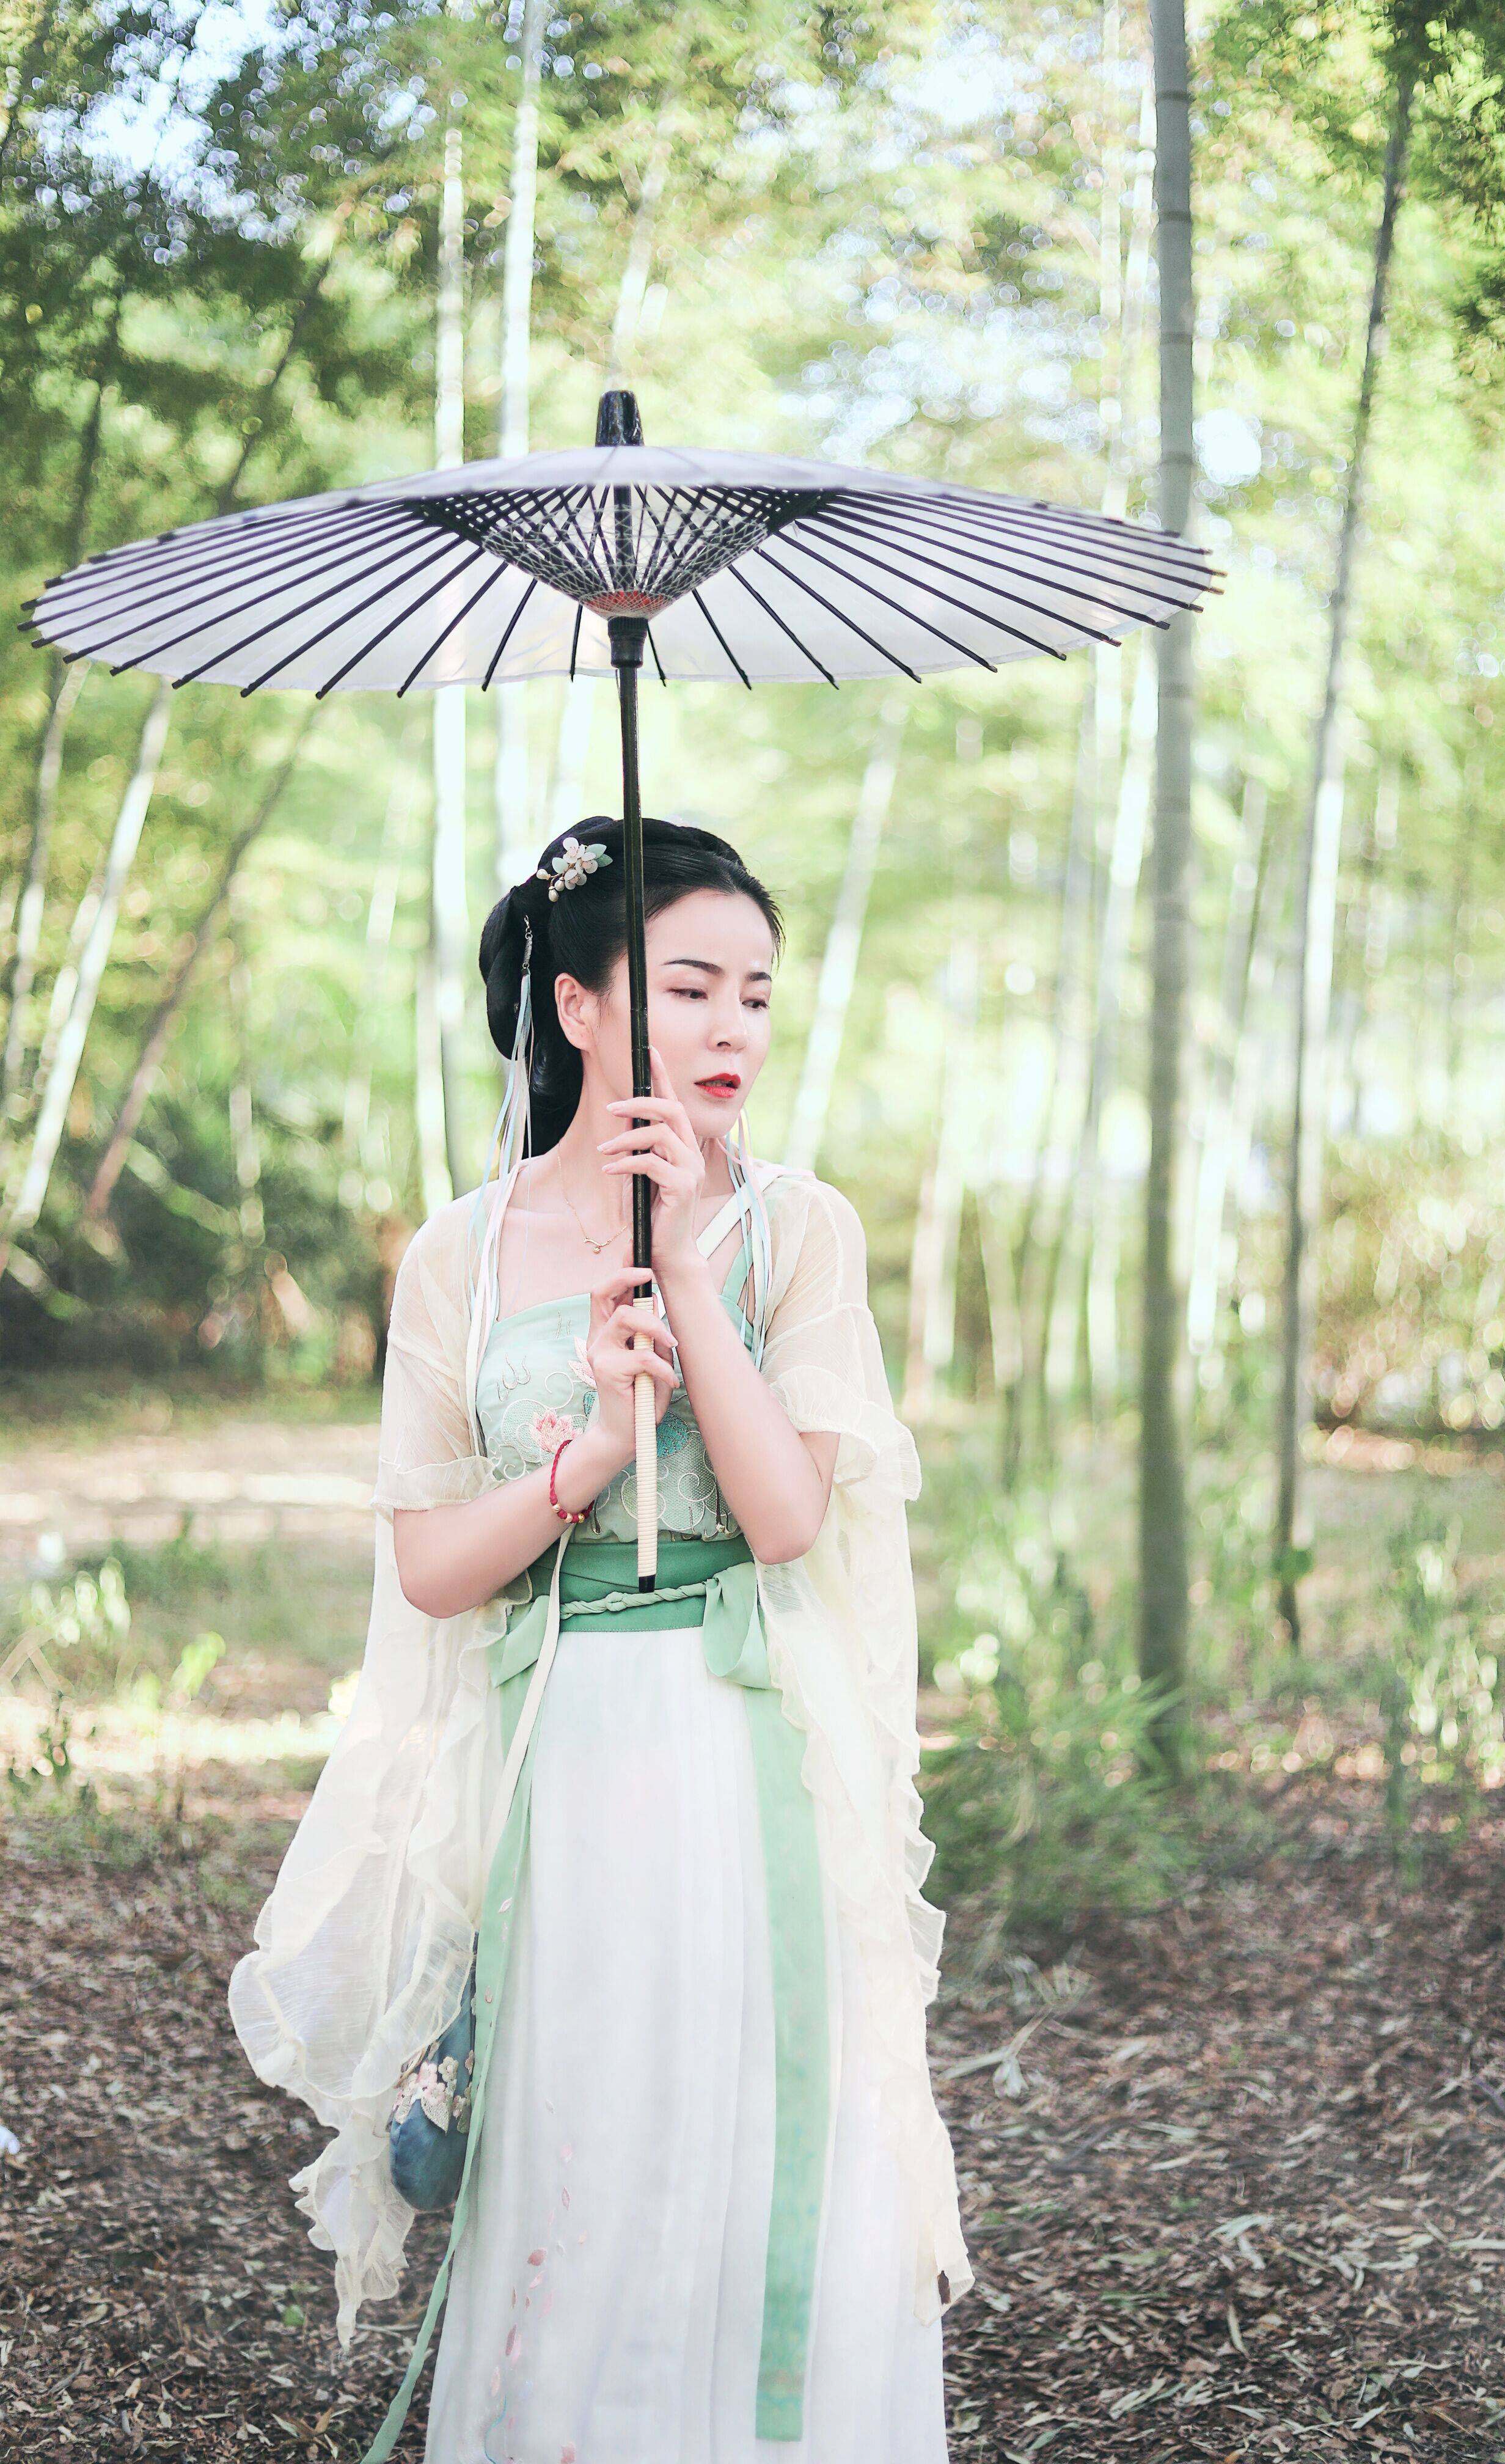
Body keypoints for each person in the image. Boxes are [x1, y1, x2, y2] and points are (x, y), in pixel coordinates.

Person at [228, 815, 972, 2463]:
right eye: (689, 987)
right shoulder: (462, 1252)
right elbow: (432, 1565)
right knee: (586, 2140)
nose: (732, 1028)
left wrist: (690, 1277)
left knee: (757, 2136)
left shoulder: (798, 1229)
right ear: (576, 1006)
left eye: (757, 994)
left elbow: (788, 1517)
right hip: (559, 1751)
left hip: (747, 1747)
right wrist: (581, 1466)